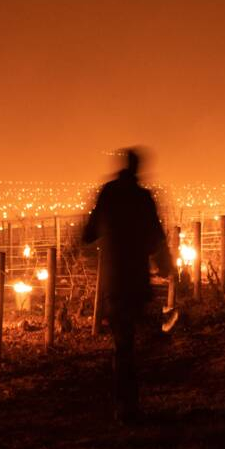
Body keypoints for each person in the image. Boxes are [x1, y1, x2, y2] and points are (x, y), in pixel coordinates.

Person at [82, 147, 173, 423]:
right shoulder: (143, 198)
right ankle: (129, 404)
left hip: (114, 279)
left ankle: (123, 405)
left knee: (123, 343)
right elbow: (156, 239)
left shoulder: (108, 194)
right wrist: (165, 267)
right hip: (136, 280)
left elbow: (88, 233)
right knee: (129, 342)